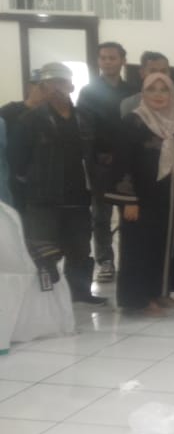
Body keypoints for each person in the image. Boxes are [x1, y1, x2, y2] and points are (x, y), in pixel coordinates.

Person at [11, 63, 106, 305]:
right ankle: (45, 300)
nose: (56, 89)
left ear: (72, 86)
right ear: (42, 88)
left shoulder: (86, 118)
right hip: (43, 199)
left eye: (62, 83)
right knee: (44, 253)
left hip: (79, 197)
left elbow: (97, 155)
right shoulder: (29, 120)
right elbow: (18, 162)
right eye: (50, 84)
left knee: (80, 249)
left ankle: (80, 293)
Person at [104, 72, 174, 315]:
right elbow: (122, 161)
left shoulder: (173, 123)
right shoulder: (133, 121)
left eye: (164, 89)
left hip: (167, 196)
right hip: (140, 197)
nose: (158, 95)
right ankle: (136, 298)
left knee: (162, 245)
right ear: (143, 94)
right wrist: (129, 200)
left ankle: (158, 292)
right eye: (152, 89)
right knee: (138, 247)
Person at [76, 41, 136, 284]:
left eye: (112, 57)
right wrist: (91, 162)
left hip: (128, 162)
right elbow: (85, 131)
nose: (108, 62)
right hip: (100, 162)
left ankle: (130, 259)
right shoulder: (88, 92)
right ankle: (105, 261)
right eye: (103, 58)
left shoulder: (133, 90)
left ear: (123, 60)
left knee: (129, 213)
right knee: (101, 216)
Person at [2, 69, 45, 212]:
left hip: (44, 182)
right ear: (30, 87)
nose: (43, 91)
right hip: (14, 181)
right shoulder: (9, 111)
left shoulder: (53, 115)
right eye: (39, 86)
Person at [119, 51, 174, 126]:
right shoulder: (129, 105)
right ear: (142, 73)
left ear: (169, 73)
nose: (159, 76)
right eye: (153, 71)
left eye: (163, 71)